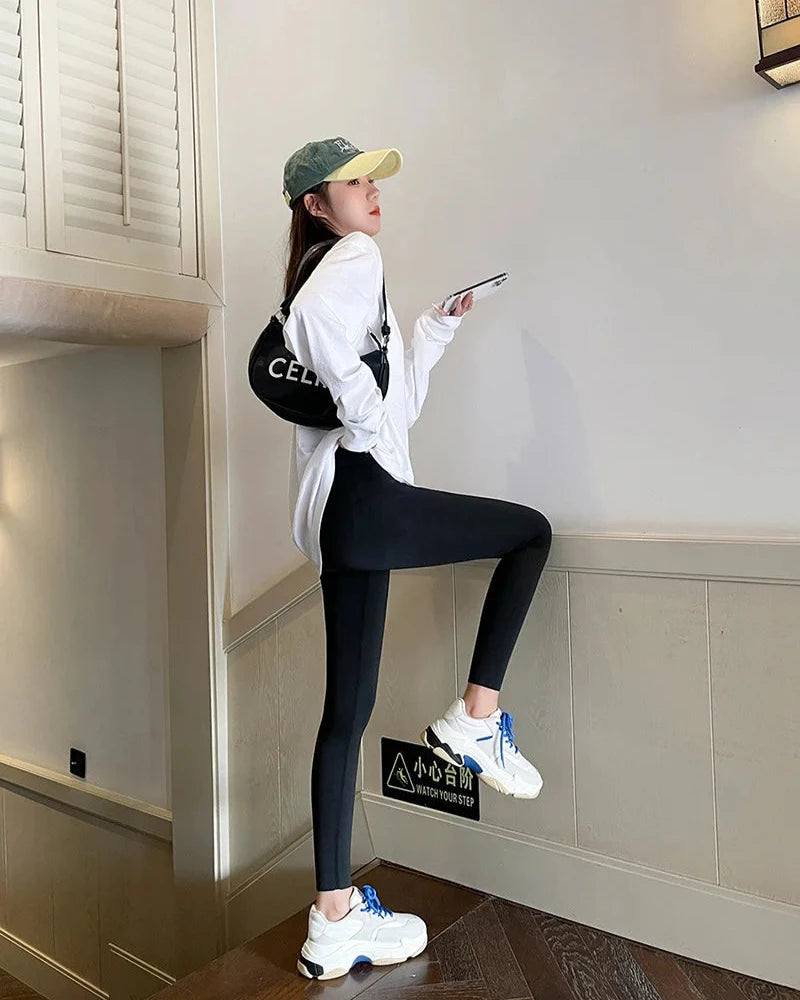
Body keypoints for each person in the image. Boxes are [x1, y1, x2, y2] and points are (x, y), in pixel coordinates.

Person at [278, 137, 553, 981]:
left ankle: (332, 921)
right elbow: (327, 349)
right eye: (355, 181)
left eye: (374, 180)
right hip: (367, 498)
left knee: (347, 711)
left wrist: (433, 329)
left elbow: (395, 408)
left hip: (341, 517)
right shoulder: (354, 257)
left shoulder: (335, 271)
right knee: (531, 533)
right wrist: (364, 420)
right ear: (316, 204)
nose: (373, 191)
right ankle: (475, 718)